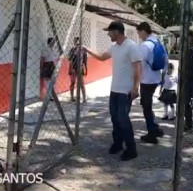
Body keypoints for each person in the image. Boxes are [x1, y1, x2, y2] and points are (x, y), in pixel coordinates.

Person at [83, 20, 142, 161]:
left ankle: (131, 149)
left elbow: (138, 68)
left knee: (123, 119)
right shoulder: (114, 47)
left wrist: (135, 87)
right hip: (114, 90)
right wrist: (87, 49)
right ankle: (117, 144)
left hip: (125, 91)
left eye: (110, 32)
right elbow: (102, 57)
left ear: (116, 31)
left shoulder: (131, 46)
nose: (108, 35)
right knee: (115, 119)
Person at [136, 22, 165, 144]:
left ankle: (152, 134)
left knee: (146, 107)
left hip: (146, 80)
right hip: (155, 79)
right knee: (148, 104)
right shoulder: (158, 43)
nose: (139, 36)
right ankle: (155, 128)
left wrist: (135, 82)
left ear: (143, 31)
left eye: (138, 33)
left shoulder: (145, 45)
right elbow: (166, 61)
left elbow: (139, 65)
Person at [68, 37, 87, 103]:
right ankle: (72, 97)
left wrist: (86, 69)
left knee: (81, 84)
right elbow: (70, 60)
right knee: (72, 83)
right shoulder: (72, 50)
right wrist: (71, 68)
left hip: (80, 68)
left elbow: (85, 61)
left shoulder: (83, 50)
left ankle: (84, 98)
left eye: (79, 42)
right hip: (73, 68)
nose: (77, 44)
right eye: (76, 42)